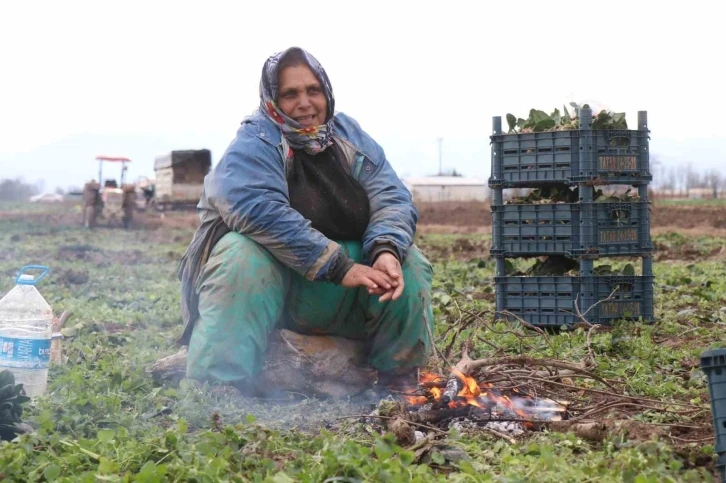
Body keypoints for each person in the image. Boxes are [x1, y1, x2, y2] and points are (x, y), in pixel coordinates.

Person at [177, 46, 434, 396]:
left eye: (313, 90)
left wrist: (386, 250)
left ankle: (400, 381)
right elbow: (257, 209)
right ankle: (219, 388)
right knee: (240, 253)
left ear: (326, 92)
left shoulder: (349, 136)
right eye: (290, 94)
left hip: (340, 297)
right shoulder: (255, 142)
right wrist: (340, 266)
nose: (305, 103)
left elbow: (391, 197)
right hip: (275, 297)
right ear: (272, 100)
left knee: (408, 263)